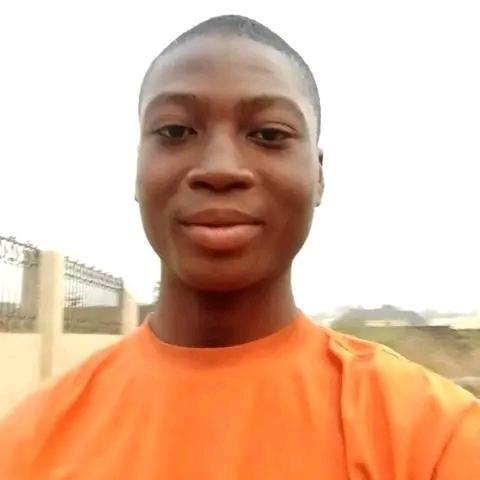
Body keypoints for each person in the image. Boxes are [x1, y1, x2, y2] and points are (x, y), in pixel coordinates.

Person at [0, 14, 478, 479]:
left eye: (269, 134)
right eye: (175, 131)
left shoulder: (436, 440)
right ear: (138, 169)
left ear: (318, 175)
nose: (220, 168)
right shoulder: (25, 445)